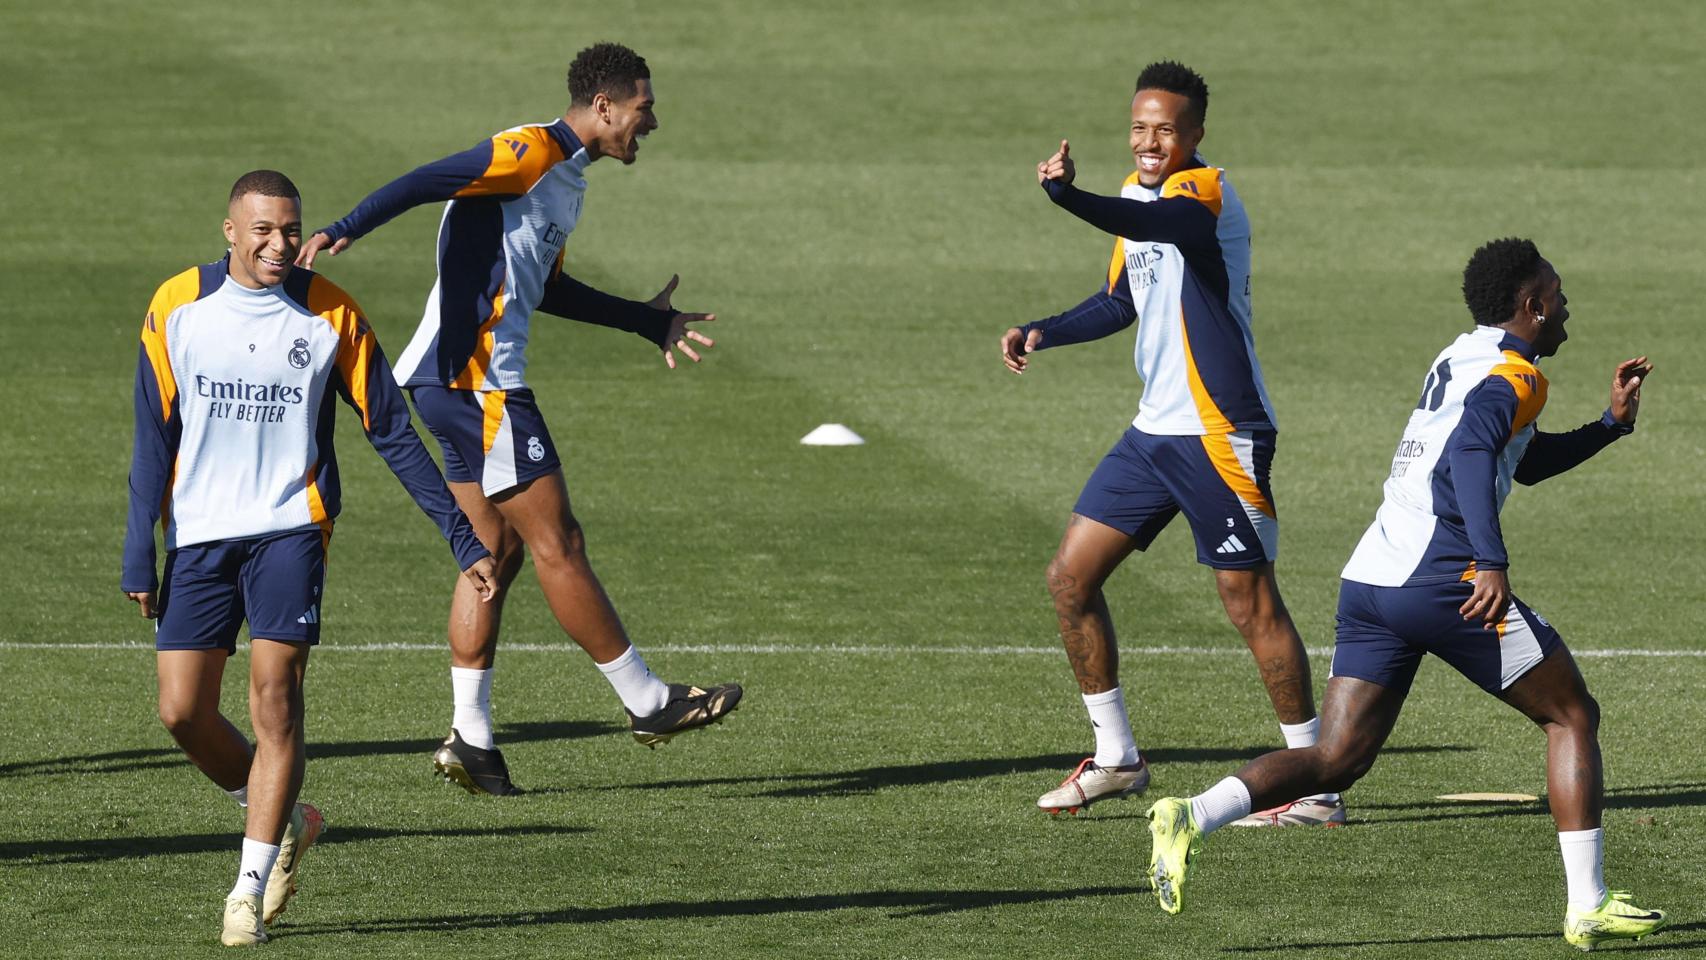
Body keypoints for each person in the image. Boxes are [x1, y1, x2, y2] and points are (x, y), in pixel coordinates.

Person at [1146, 238, 1667, 950]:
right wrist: (1489, 559)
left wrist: (1610, 426)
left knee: (1337, 761)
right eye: (1557, 288)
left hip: (1371, 580)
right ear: (1532, 305)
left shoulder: (1461, 357)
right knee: (1572, 714)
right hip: (1443, 580)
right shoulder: (1515, 379)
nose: (1566, 298)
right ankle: (1589, 904)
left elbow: (1520, 458)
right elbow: (1473, 457)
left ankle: (1191, 814)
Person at [295, 42, 739, 797]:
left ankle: (471, 738)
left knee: (492, 554)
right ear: (604, 107)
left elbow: (541, 287)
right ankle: (647, 701)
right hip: (476, 387)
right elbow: (428, 178)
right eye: (645, 106)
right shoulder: (527, 151)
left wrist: (643, 321)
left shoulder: (566, 183)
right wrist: (347, 227)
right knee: (558, 541)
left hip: (456, 386)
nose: (651, 121)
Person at [122, 170, 498, 945]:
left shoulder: (331, 313)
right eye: (262, 229)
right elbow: (152, 437)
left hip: (291, 528)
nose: (278, 244)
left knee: (275, 697)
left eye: (290, 230)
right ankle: (288, 816)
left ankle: (247, 888)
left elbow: (391, 431)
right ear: (230, 231)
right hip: (199, 534)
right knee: (181, 711)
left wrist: (463, 538)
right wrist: (139, 551)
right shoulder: (176, 307)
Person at [1001, 61, 1336, 824]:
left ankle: (1317, 783)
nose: (1150, 141)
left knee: (1248, 603)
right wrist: (1042, 331)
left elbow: (1159, 227)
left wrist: (1065, 198)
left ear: (1195, 135)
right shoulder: (1131, 196)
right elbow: (1121, 299)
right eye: (1140, 127)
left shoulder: (1205, 193)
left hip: (1220, 433)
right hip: (1153, 433)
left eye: (1166, 129)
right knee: (1069, 579)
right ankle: (1117, 759)